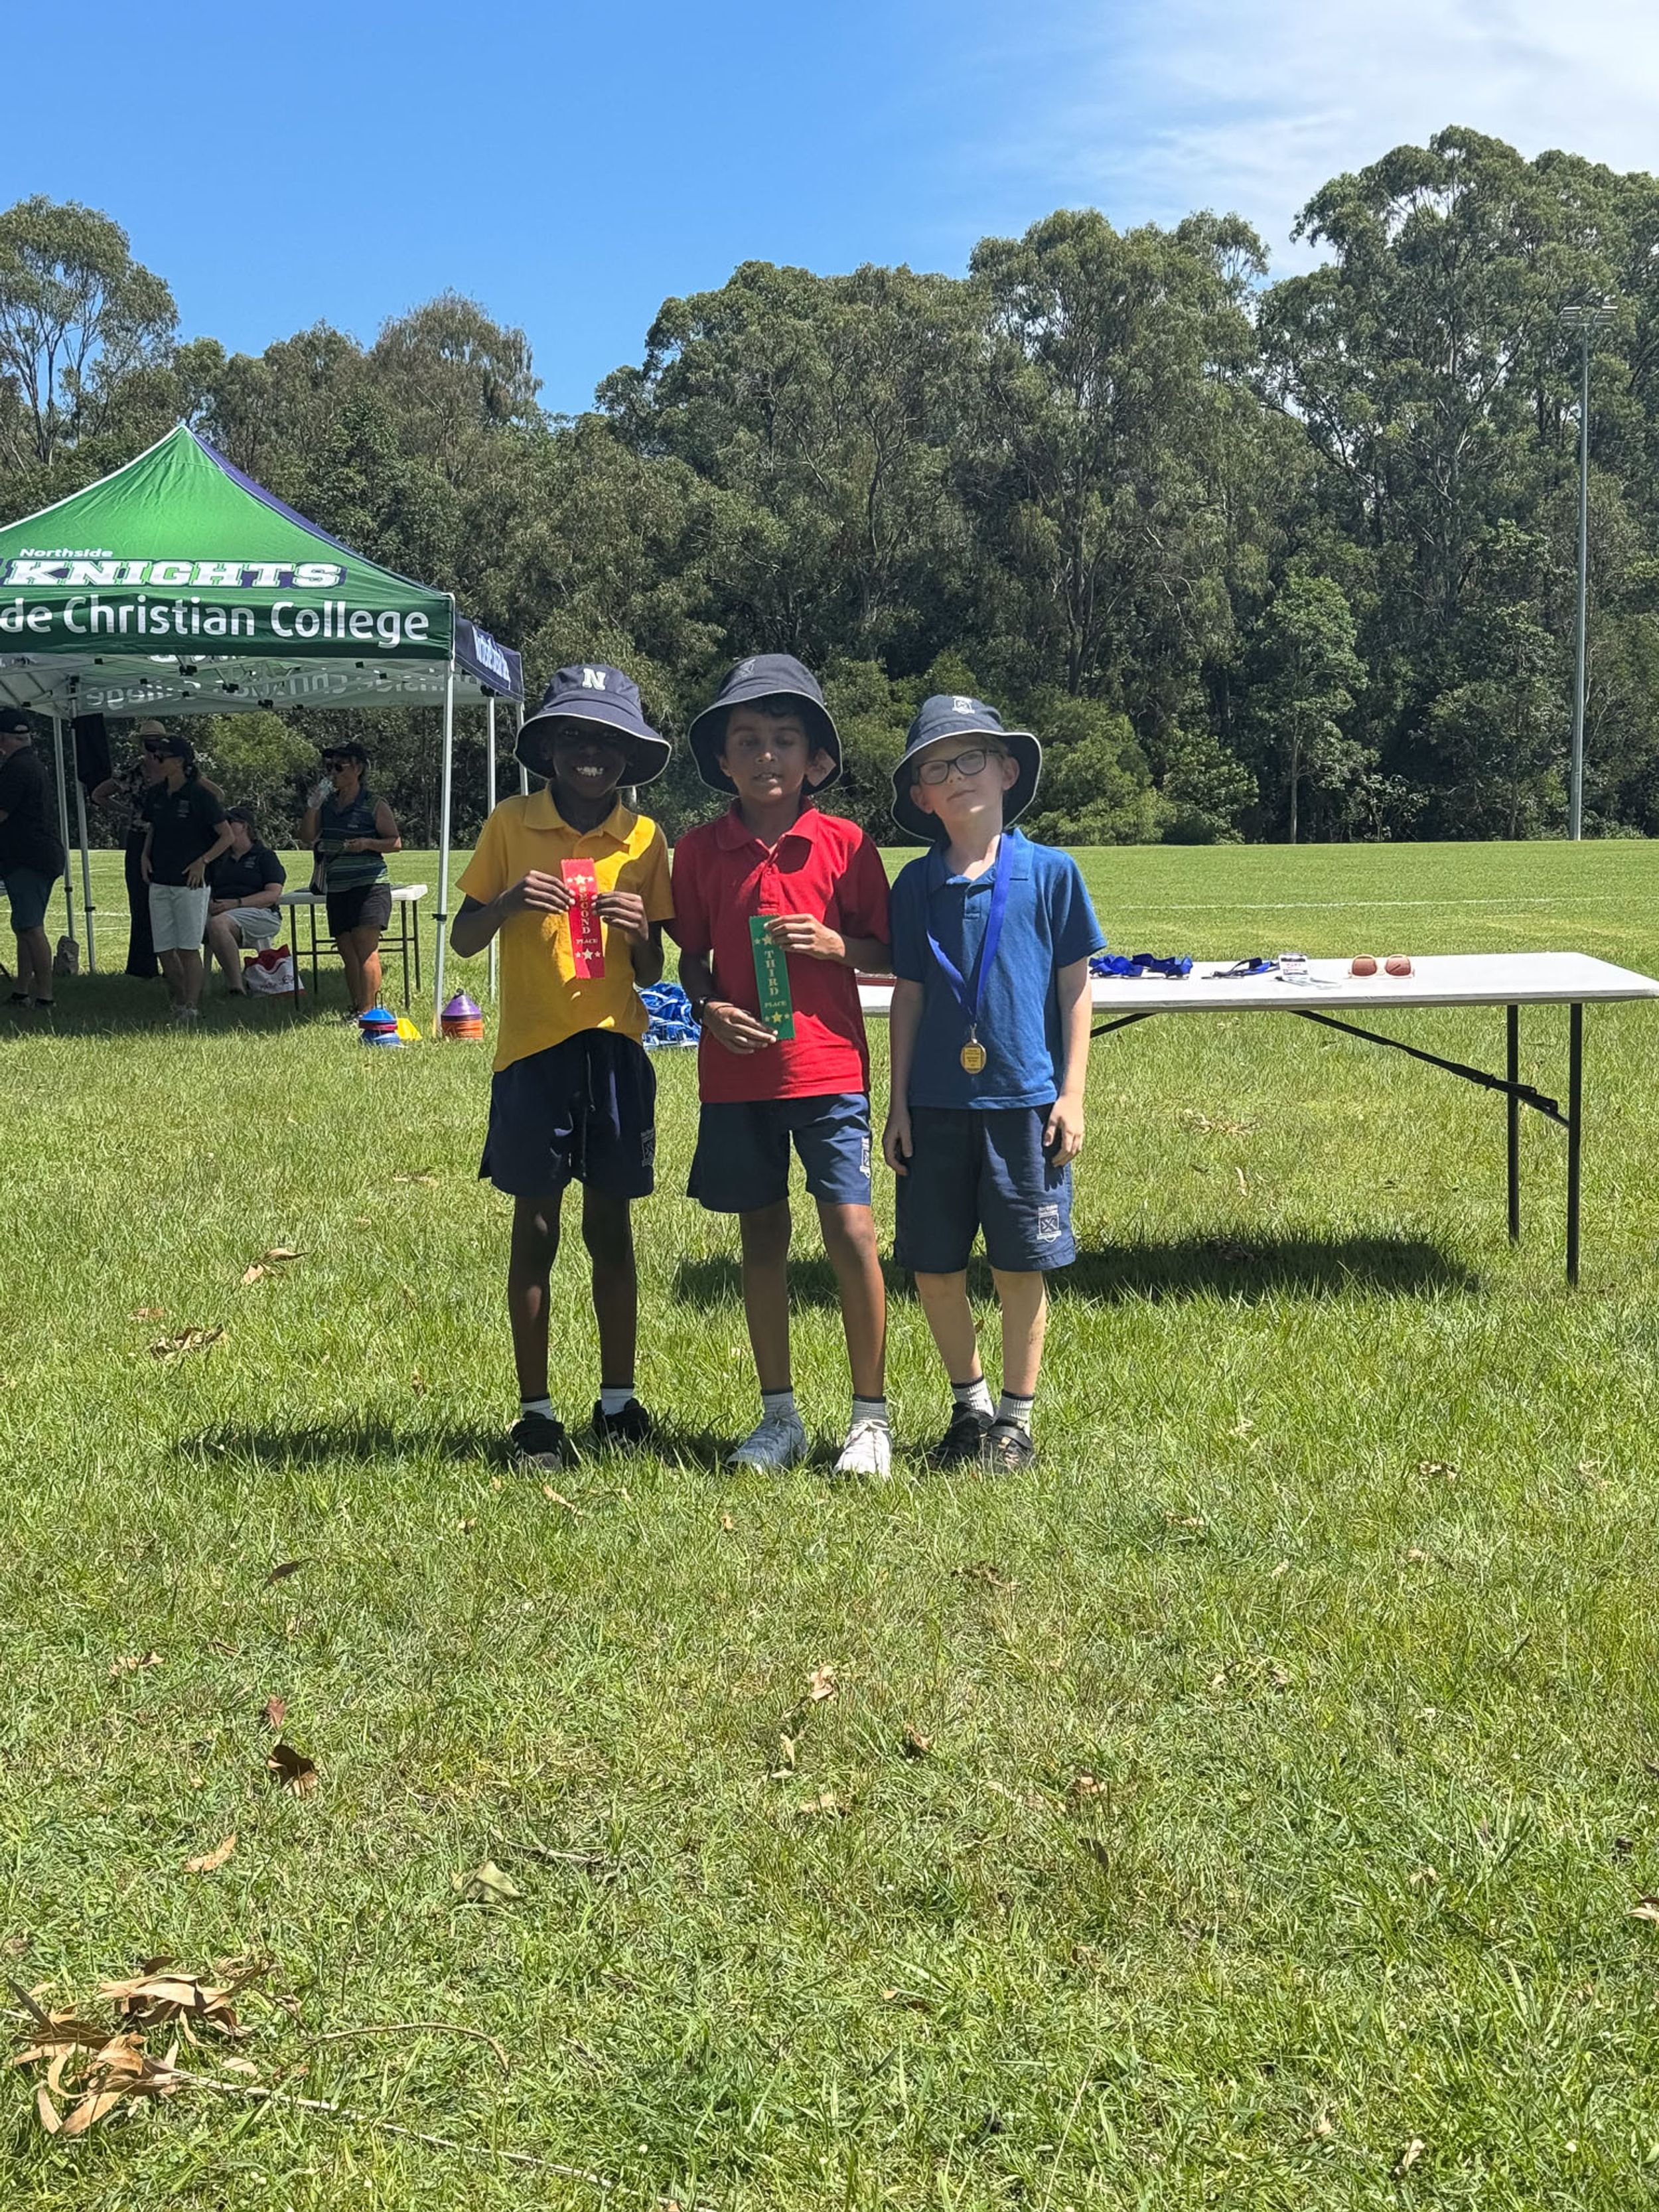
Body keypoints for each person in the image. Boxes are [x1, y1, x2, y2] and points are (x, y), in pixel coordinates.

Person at [670, 654, 893, 1477]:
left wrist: (838, 946)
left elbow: (889, 951)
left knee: (852, 1231)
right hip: (738, 1078)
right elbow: (690, 957)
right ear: (723, 759)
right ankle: (779, 1417)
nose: (767, 755)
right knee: (760, 1237)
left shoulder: (846, 844)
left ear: (815, 760)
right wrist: (706, 1008)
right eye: (748, 740)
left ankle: (869, 1418)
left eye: (785, 739)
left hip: (828, 1069)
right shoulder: (699, 851)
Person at [451, 665, 676, 1470]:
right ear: (546, 747)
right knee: (536, 1228)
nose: (591, 754)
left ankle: (617, 1403)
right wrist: (509, 902)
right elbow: (463, 938)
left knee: (611, 1228)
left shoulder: (644, 839)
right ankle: (536, 1414)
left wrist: (639, 929)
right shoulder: (511, 823)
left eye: (609, 741)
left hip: (615, 1051)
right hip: (533, 1054)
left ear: (630, 756)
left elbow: (652, 969)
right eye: (575, 737)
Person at [881, 694, 1105, 1473]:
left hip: (1024, 1106)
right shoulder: (914, 885)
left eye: (972, 758)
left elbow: (1075, 988)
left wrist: (1071, 1094)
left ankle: (1016, 1420)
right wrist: (897, 1103)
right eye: (937, 769)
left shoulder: (1052, 873)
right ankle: (969, 1407)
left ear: (1008, 771)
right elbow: (908, 995)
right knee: (933, 1267)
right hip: (935, 1107)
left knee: (1018, 1266)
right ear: (921, 797)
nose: (957, 777)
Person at [299, 742, 401, 1016]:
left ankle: (369, 1013)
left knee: (365, 948)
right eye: (329, 767)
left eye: (339, 767)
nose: (332, 773)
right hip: (338, 885)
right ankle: (357, 1008)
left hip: (369, 884)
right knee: (346, 949)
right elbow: (307, 836)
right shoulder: (327, 805)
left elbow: (395, 842)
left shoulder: (374, 804)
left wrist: (367, 843)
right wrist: (313, 807)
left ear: (358, 769)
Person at [140, 733, 232, 1024]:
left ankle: (191, 1007)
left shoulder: (200, 795)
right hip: (160, 876)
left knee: (188, 948)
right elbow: (153, 828)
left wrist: (203, 861)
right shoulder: (156, 794)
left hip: (190, 883)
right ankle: (180, 1001)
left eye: (161, 757)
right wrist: (144, 855)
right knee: (164, 949)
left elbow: (227, 836)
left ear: (179, 762)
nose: (155, 761)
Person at [0, 709, 67, 1012]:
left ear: (3, 739)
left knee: (31, 927)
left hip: (29, 858)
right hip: (37, 855)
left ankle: (45, 997)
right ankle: (21, 991)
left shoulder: (17, 769)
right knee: (23, 926)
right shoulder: (31, 763)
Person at [90, 720, 167, 980]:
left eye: (157, 741)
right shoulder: (132, 772)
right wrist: (127, 812)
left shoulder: (174, 769)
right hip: (139, 838)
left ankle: (175, 963)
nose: (153, 747)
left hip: (169, 839)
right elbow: (98, 795)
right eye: (149, 742)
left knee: (169, 899)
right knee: (140, 901)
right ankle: (142, 966)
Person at [206, 809, 287, 995]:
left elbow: (272, 894)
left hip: (260, 912)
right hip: (219, 911)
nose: (223, 826)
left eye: (229, 821)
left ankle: (236, 986)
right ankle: (182, 987)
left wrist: (236, 903)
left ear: (243, 826)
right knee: (185, 927)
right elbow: (206, 887)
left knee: (218, 924)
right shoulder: (218, 858)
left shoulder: (265, 856)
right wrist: (209, 902)